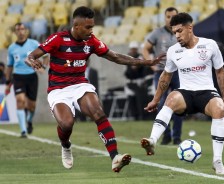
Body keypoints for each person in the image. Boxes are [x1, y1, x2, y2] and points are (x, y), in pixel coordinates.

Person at [25, 6, 164, 172]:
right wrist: (32, 60)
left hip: (80, 85)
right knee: (67, 124)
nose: (91, 30)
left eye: (93, 26)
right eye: (88, 27)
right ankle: (66, 145)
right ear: (76, 26)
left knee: (98, 112)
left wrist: (145, 62)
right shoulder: (58, 39)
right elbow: (32, 55)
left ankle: (115, 157)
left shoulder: (91, 41)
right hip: (58, 89)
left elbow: (115, 56)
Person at [140, 13, 224, 175]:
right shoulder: (173, 51)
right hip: (186, 93)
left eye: (179, 31)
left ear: (190, 28)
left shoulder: (209, 45)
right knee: (170, 98)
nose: (176, 36)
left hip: (206, 93)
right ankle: (152, 140)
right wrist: (155, 100)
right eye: (174, 32)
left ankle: (217, 160)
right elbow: (165, 76)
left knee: (218, 107)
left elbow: (220, 73)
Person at [142, 7, 183, 145]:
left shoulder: (182, 32)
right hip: (161, 72)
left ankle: (177, 136)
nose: (171, 19)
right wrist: (151, 64)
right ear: (164, 18)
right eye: (168, 16)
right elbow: (145, 48)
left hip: (178, 72)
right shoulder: (157, 33)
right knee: (160, 104)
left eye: (173, 16)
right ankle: (166, 135)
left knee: (179, 104)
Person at [5, 23, 48, 138]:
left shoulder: (33, 43)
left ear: (26, 31)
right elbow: (9, 66)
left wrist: (43, 67)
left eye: (22, 29)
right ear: (15, 32)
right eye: (18, 29)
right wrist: (8, 82)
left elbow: (46, 55)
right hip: (18, 76)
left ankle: (29, 121)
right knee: (20, 101)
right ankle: (23, 131)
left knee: (31, 106)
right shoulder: (11, 48)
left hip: (32, 77)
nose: (20, 31)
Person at [124, 41, 149, 120]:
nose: (133, 51)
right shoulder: (127, 57)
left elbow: (135, 67)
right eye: (132, 49)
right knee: (131, 100)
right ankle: (134, 116)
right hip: (130, 82)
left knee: (140, 99)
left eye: (134, 49)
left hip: (138, 82)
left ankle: (141, 116)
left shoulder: (139, 57)